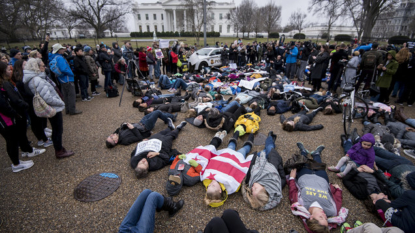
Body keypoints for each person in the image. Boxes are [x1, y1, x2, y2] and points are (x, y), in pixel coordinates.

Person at [289, 143, 348, 232]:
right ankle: (316, 154)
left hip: (304, 176)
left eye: (321, 217)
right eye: (326, 219)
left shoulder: (301, 206)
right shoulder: (332, 211)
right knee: (319, 165)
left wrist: (292, 178)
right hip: (322, 178)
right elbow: (338, 200)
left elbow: (293, 191)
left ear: (311, 218)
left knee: (302, 162)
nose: (324, 215)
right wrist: (338, 189)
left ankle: (303, 152)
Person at [24, 58, 75, 159]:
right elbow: (47, 97)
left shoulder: (31, 79)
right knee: (57, 129)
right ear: (37, 67)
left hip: (49, 106)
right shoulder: (38, 80)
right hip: (52, 107)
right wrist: (60, 103)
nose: (45, 67)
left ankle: (59, 147)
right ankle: (59, 150)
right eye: (43, 66)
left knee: (56, 129)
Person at [201, 132, 254, 207]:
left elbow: (208, 168)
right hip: (237, 159)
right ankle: (250, 139)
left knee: (231, 146)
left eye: (209, 187)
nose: (210, 184)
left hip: (226, 155)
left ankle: (235, 135)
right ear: (220, 190)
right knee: (244, 150)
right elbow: (239, 178)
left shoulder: (206, 180)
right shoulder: (231, 186)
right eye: (213, 186)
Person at [241, 131, 286, 210]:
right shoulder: (276, 184)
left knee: (263, 151)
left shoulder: (251, 183)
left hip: (258, 160)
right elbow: (282, 176)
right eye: (256, 189)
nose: (252, 188)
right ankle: (270, 137)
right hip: (272, 161)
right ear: (264, 189)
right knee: (269, 147)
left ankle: (268, 145)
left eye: (252, 191)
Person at [118, 189, 184, 233]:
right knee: (154, 196)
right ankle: (172, 207)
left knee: (146, 192)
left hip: (123, 230)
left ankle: (162, 203)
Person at [106, 110, 178, 148]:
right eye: (111, 137)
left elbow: (119, 128)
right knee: (157, 112)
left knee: (154, 112)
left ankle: (169, 118)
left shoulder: (118, 135)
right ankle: (171, 118)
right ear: (115, 141)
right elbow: (139, 138)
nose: (111, 135)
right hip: (146, 127)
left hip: (141, 123)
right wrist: (133, 128)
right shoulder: (125, 141)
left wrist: (124, 125)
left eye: (110, 136)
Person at [49, 43, 82, 115]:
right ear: (59, 50)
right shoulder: (60, 58)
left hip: (62, 79)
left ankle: (68, 109)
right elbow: (64, 69)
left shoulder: (55, 57)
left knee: (66, 95)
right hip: (67, 78)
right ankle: (72, 110)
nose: (63, 50)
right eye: (62, 49)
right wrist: (71, 74)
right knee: (71, 95)